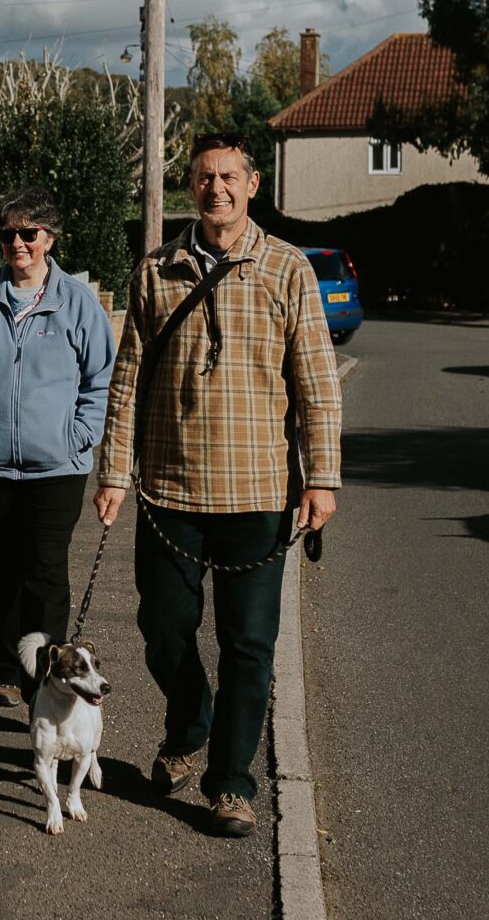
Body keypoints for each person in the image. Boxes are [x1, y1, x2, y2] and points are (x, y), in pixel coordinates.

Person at [93, 133, 341, 838]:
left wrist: (320, 479)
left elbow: (317, 386)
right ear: (190, 185)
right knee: (162, 627)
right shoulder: (155, 271)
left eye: (229, 176)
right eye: (205, 177)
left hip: (259, 492)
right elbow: (127, 382)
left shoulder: (288, 269)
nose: (217, 189)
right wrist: (114, 471)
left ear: (252, 183)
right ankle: (190, 714)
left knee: (249, 646)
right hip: (169, 491)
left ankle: (230, 783)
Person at [0, 188, 117, 706]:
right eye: (7, 235)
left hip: (57, 467)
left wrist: (80, 436)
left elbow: (100, 378)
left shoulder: (77, 303)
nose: (17, 243)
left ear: (49, 238)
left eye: (28, 234)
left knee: (45, 570)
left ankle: (48, 674)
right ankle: (4, 667)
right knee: (6, 567)